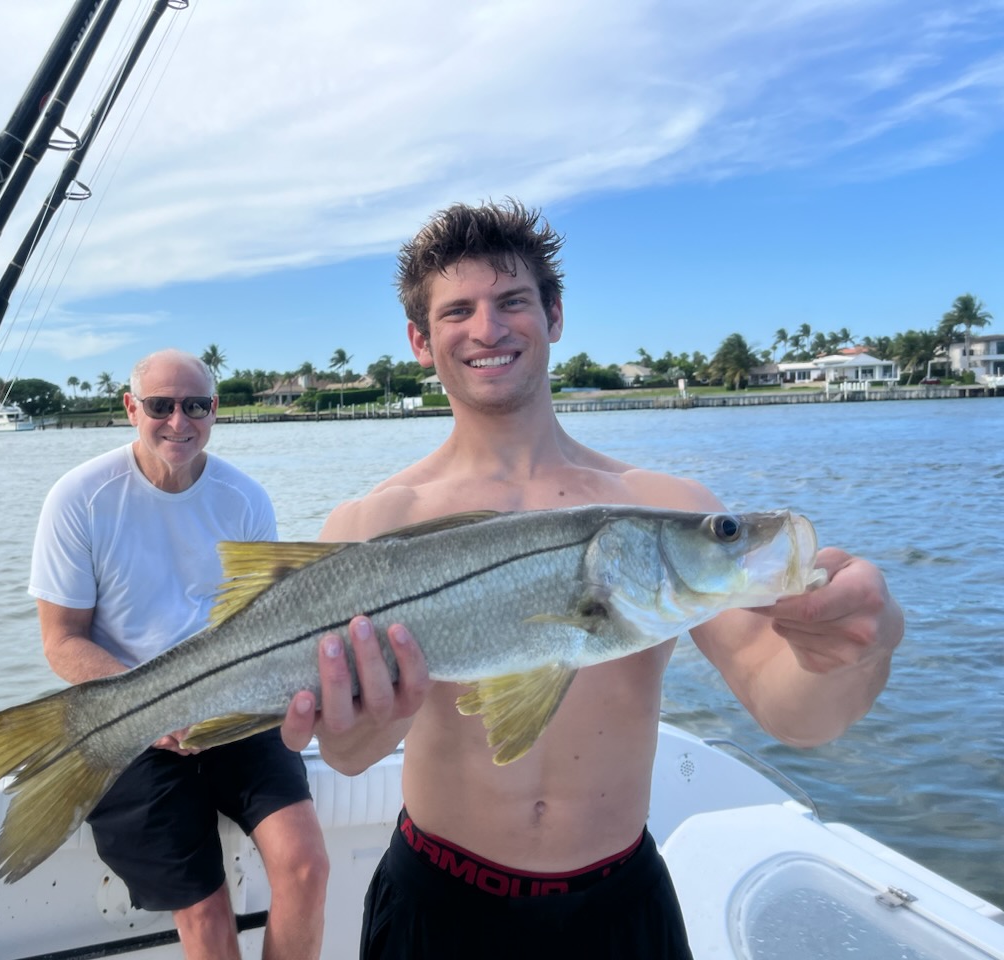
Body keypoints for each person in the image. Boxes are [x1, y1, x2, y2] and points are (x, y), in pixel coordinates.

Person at [280, 200, 905, 958]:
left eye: (513, 301)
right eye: (458, 311)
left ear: (555, 316)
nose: (488, 328)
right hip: (436, 903)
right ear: (420, 339)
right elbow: (345, 756)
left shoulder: (666, 508)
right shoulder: (371, 523)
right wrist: (364, 731)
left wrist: (856, 649)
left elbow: (796, 714)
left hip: (620, 903)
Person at [29, 348, 328, 960]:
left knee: (306, 868)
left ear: (215, 411)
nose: (179, 421)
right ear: (131, 408)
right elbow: (62, 640)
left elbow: (265, 626)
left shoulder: (244, 498)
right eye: (161, 406)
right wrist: (155, 710)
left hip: (235, 707)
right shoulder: (80, 497)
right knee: (205, 914)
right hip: (129, 714)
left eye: (196, 405)